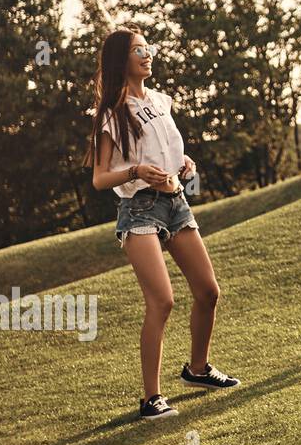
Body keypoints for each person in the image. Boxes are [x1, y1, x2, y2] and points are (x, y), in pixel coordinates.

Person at [86, 28, 240, 422]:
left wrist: (185, 164)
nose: (148, 54)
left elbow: (171, 150)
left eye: (149, 48)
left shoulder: (158, 100)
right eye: (139, 50)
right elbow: (101, 178)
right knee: (163, 301)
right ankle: (151, 398)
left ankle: (198, 370)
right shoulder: (112, 113)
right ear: (123, 60)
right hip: (139, 210)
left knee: (208, 291)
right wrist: (135, 170)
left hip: (176, 203)